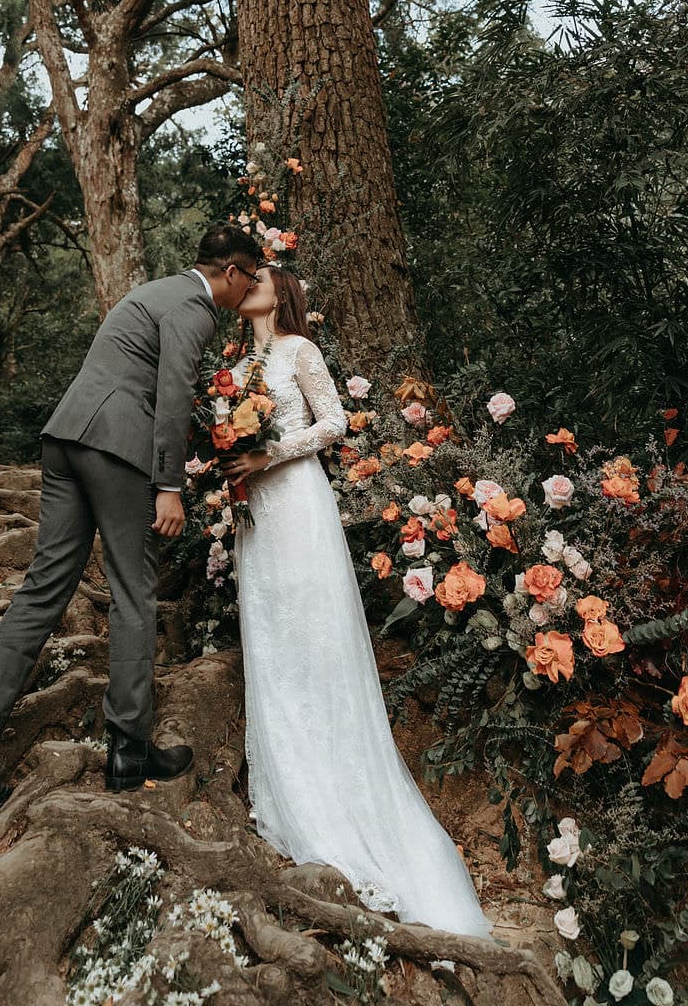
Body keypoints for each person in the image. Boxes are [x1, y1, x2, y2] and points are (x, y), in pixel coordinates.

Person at [0, 224, 264, 810]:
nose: (249, 292)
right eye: (251, 278)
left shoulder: (153, 291)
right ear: (232, 273)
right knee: (135, 589)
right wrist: (168, 485)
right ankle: (129, 749)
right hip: (118, 449)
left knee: (43, 588)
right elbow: (172, 398)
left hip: (66, 437)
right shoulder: (195, 309)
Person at [222, 264, 493, 937]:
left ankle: (339, 795)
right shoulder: (237, 364)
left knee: (315, 639)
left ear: (280, 294)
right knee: (273, 641)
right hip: (255, 518)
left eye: (259, 276)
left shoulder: (297, 349)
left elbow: (336, 422)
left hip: (299, 504)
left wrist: (269, 453)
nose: (247, 282)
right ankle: (285, 785)